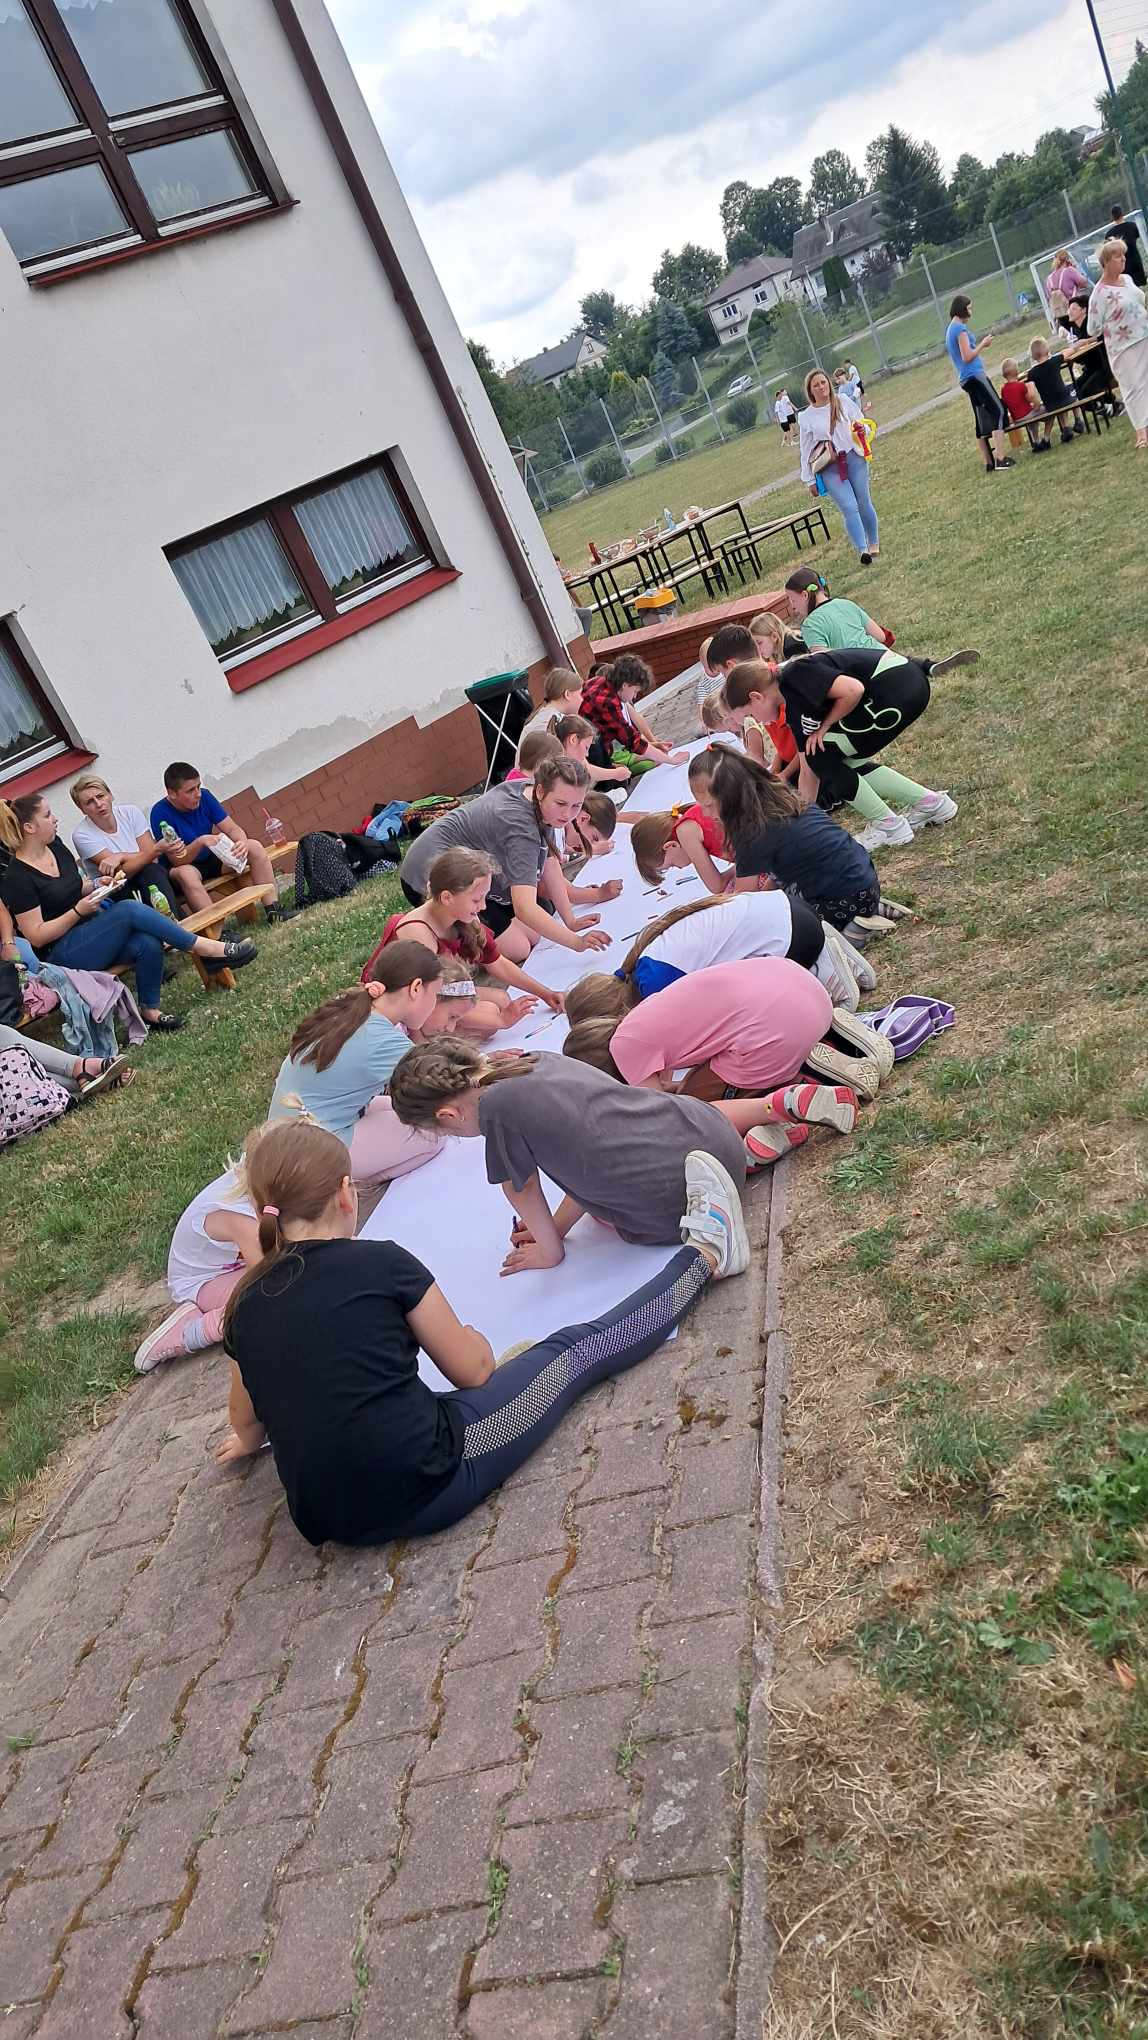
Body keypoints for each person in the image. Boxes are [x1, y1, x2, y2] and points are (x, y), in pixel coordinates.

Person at [213, 1119, 749, 1543]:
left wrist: (249, 1440)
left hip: (327, 1519)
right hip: (430, 1479)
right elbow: (474, 1371)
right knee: (574, 1350)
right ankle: (707, 1255)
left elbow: (248, 1424)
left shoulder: (243, 1302)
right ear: (345, 1194)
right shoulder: (380, 1263)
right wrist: (475, 1337)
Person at [389, 1034, 794, 1255]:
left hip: (678, 1203)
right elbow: (590, 1155)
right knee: (628, 1148)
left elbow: (522, 1191)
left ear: (448, 1115)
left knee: (606, 1216)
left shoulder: (495, 1109)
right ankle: (755, 1140)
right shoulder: (534, 1058)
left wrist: (550, 1248)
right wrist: (558, 1224)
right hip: (712, 1133)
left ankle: (734, 1174)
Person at [0, 793, 257, 1031]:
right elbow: (36, 936)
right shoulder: (17, 877)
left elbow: (74, 887)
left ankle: (150, 1011)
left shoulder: (56, 846)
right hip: (63, 954)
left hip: (93, 931)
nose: (55, 818)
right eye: (47, 815)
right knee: (128, 910)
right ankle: (208, 950)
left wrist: (98, 884)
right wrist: (78, 912)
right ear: (29, 827)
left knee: (146, 941)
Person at [561, 957, 858, 1136]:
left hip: (781, 1030)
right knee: (695, 1087)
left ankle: (794, 1092)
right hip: (805, 991)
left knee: (692, 1119)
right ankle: (827, 1047)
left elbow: (664, 1117)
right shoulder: (642, 1015)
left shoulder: (624, 1049)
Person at [723, 652, 963, 852]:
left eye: (750, 715)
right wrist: (802, 823)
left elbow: (853, 690)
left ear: (756, 697)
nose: (758, 722)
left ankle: (889, 825)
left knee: (821, 755)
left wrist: (826, 725)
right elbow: (808, 771)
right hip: (901, 690)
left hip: (897, 686)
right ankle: (933, 803)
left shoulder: (794, 674)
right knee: (830, 759)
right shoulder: (792, 706)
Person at [398, 755, 613, 964]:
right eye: (561, 803)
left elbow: (550, 864)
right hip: (424, 874)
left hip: (465, 862)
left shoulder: (535, 796)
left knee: (542, 916)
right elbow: (524, 909)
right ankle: (451, 940)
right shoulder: (521, 828)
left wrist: (571, 921)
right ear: (541, 791)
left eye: (576, 806)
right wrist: (576, 942)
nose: (567, 814)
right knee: (520, 947)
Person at [267, 946, 447, 1183]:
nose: (434, 1004)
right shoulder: (384, 1041)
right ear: (416, 988)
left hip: (282, 1143)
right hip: (308, 1156)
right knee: (433, 1131)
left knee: (398, 1108)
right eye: (435, 995)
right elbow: (444, 1080)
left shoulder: (350, 1010)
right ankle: (352, 1184)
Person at [360, 847, 563, 1033]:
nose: (483, 906)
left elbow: (497, 962)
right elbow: (429, 1003)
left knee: (501, 999)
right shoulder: (418, 933)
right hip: (410, 1008)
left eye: (484, 898)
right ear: (447, 897)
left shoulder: (462, 917)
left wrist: (546, 993)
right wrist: (501, 1021)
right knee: (490, 1018)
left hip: (437, 994)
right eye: (476, 900)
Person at [565, 888, 866, 1011]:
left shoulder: (653, 985)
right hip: (789, 910)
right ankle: (825, 954)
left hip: (790, 938)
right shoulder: (640, 964)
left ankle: (821, 972)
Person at [707, 748, 884, 939]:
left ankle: (853, 932)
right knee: (782, 905)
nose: (705, 813)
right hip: (865, 885)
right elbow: (780, 873)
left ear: (730, 800)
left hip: (843, 900)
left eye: (708, 805)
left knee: (780, 933)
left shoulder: (749, 834)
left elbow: (745, 903)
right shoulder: (783, 801)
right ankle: (867, 911)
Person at [134, 1155, 259, 1372]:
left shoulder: (259, 1178)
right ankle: (190, 1331)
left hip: (236, 1265)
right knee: (269, 1301)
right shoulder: (242, 1218)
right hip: (204, 1282)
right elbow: (269, 1275)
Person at [150, 762, 285, 920]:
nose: (198, 794)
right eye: (190, 790)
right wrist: (201, 841)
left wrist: (241, 842)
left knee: (254, 846)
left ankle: (274, 911)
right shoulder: (159, 813)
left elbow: (232, 829)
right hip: (182, 867)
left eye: (198, 787)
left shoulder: (205, 796)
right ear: (172, 793)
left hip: (211, 857)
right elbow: (178, 860)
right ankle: (218, 931)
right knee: (187, 874)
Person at [798, 367, 881, 561]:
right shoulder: (806, 417)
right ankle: (863, 550)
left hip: (854, 458)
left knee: (863, 501)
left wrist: (863, 429)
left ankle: (873, 542)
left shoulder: (842, 401)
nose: (821, 387)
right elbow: (805, 450)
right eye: (816, 385)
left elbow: (862, 421)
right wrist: (809, 480)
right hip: (830, 467)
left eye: (823, 382)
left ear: (829, 383)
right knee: (849, 506)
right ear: (810, 391)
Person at [70, 774, 179, 915]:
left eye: (100, 796)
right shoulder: (81, 835)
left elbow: (153, 859)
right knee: (150, 875)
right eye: (90, 802)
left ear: (110, 795)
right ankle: (174, 921)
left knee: (152, 871)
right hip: (118, 891)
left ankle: (174, 921)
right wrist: (152, 851)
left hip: (152, 877)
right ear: (81, 809)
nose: (98, 804)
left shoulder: (130, 812)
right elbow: (120, 873)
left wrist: (121, 856)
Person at [580, 654, 688, 774]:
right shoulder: (609, 703)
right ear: (625, 685)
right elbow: (633, 742)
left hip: (591, 744)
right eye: (635, 691)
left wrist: (653, 744)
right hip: (589, 748)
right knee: (616, 779)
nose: (635, 696)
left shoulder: (599, 681)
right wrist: (672, 760)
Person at [1087, 237, 1148, 449]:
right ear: (1106, 262)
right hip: (1123, 347)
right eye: (1117, 256)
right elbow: (1092, 328)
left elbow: (1139, 300)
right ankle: (1141, 433)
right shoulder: (1099, 293)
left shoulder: (1128, 279)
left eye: (1123, 255)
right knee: (1133, 387)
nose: (1123, 259)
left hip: (1144, 335)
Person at [945, 294, 1015, 475]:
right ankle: (1000, 459)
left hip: (966, 379)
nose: (971, 312)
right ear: (961, 309)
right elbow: (967, 356)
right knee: (998, 411)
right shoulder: (959, 329)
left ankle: (988, 462)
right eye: (969, 308)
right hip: (974, 376)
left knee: (981, 418)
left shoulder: (950, 328)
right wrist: (983, 344)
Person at [783, 567, 895, 652]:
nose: (793, 606)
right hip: (890, 658)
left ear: (805, 595)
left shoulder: (810, 625)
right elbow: (881, 636)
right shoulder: (846, 603)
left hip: (867, 671)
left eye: (793, 600)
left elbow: (825, 664)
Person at [1022, 339, 1087, 442]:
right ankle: (1078, 419)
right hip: (1064, 398)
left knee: (1057, 396)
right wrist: (1077, 346)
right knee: (1072, 387)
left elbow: (1030, 390)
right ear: (1047, 350)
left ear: (1033, 356)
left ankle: (1065, 428)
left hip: (1050, 404)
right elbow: (1069, 352)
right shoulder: (1054, 361)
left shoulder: (1032, 373)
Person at [1109, 205, 1146, 289]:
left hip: (1122, 265)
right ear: (1122, 214)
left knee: (1128, 287)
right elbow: (1136, 236)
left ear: (1113, 217)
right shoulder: (1132, 226)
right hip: (1135, 260)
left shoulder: (1110, 234)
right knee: (1139, 287)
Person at [1047, 249, 1090, 314]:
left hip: (1061, 313)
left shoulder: (1049, 278)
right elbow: (1084, 284)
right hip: (1075, 310)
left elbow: (1049, 296)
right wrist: (1076, 269)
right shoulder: (1070, 270)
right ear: (1067, 259)